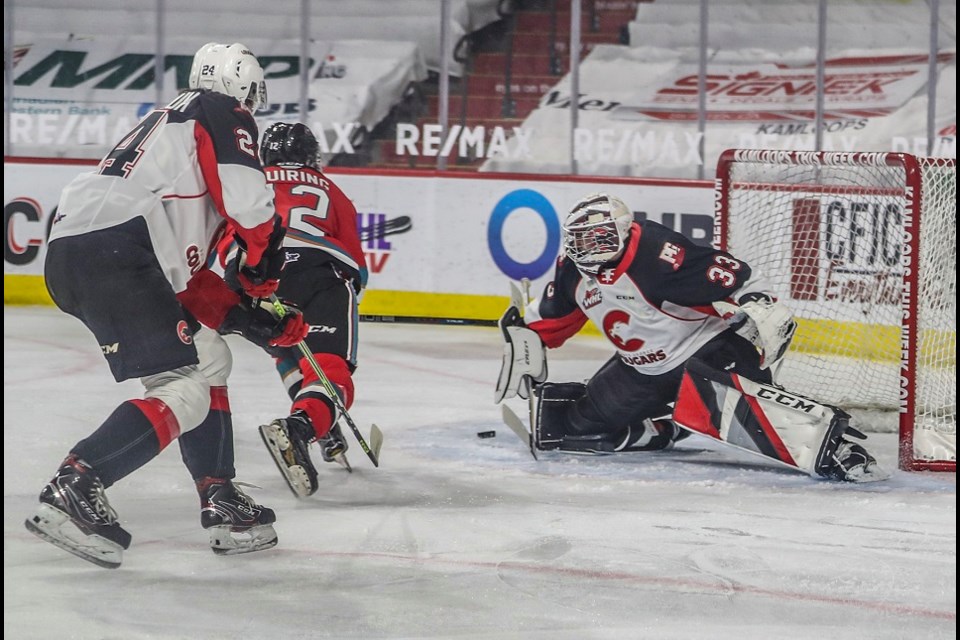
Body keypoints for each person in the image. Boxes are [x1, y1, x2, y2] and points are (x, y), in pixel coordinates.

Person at [24, 42, 309, 569]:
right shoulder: (221, 108)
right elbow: (250, 204)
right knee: (184, 388)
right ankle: (78, 481)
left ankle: (220, 496)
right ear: (245, 87)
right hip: (118, 247)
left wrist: (250, 319)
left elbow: (189, 280)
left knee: (209, 358)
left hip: (93, 250)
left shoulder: (171, 136)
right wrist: (263, 259)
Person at [495, 192, 887, 483]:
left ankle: (836, 447)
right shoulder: (572, 269)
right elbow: (553, 318)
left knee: (747, 416)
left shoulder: (657, 255)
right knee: (575, 431)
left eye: (596, 238)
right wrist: (523, 332)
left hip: (710, 350)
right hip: (642, 371)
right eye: (579, 239)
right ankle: (668, 426)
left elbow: (737, 277)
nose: (585, 249)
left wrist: (757, 304)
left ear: (621, 232)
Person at [217, 122, 368, 498]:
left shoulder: (248, 182)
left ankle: (319, 418)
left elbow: (223, 243)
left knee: (285, 342)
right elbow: (357, 267)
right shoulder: (332, 190)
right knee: (333, 367)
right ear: (310, 156)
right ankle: (302, 426)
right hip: (320, 271)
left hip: (256, 275)